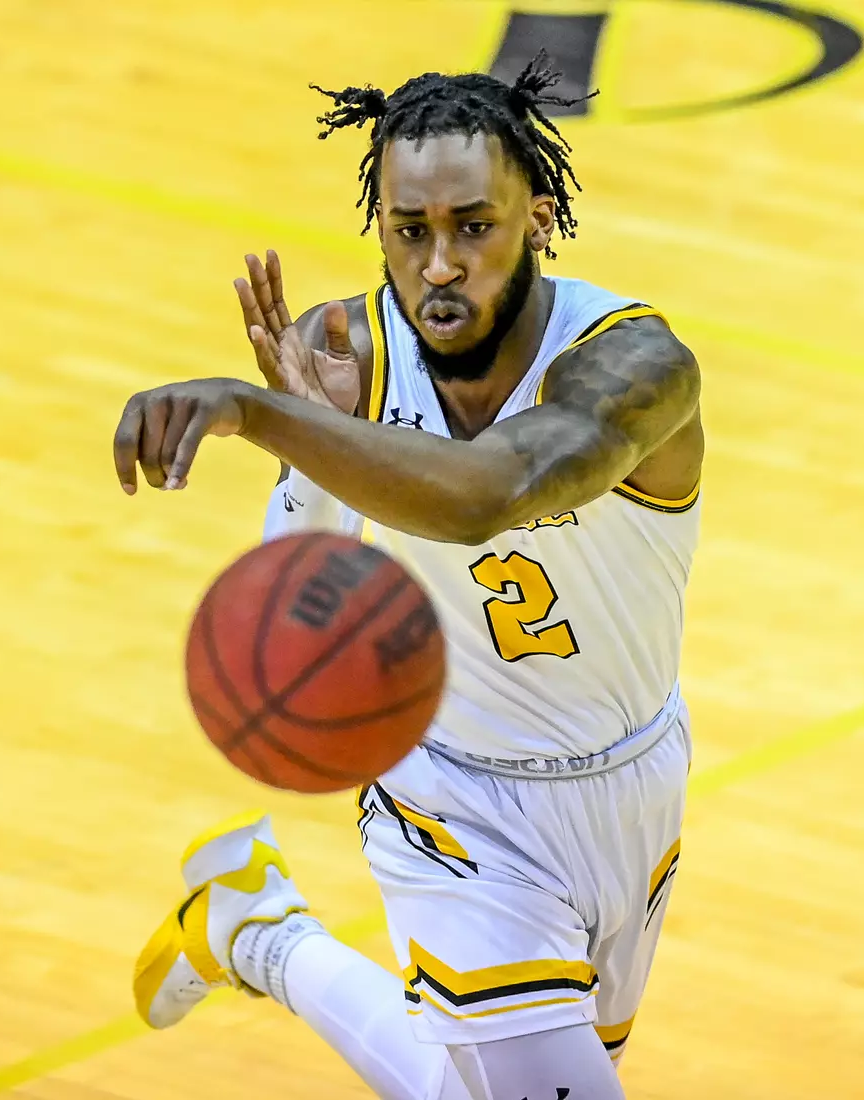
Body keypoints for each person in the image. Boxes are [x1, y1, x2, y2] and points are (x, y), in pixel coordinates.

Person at [113, 55, 703, 1100]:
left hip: (633, 778)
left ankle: (259, 930)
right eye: (408, 230)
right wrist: (312, 459)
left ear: (542, 219)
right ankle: (262, 930)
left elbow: (493, 490)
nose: (438, 264)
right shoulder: (345, 354)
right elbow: (287, 607)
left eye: (473, 227)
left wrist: (272, 419)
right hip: (453, 801)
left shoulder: (634, 364)